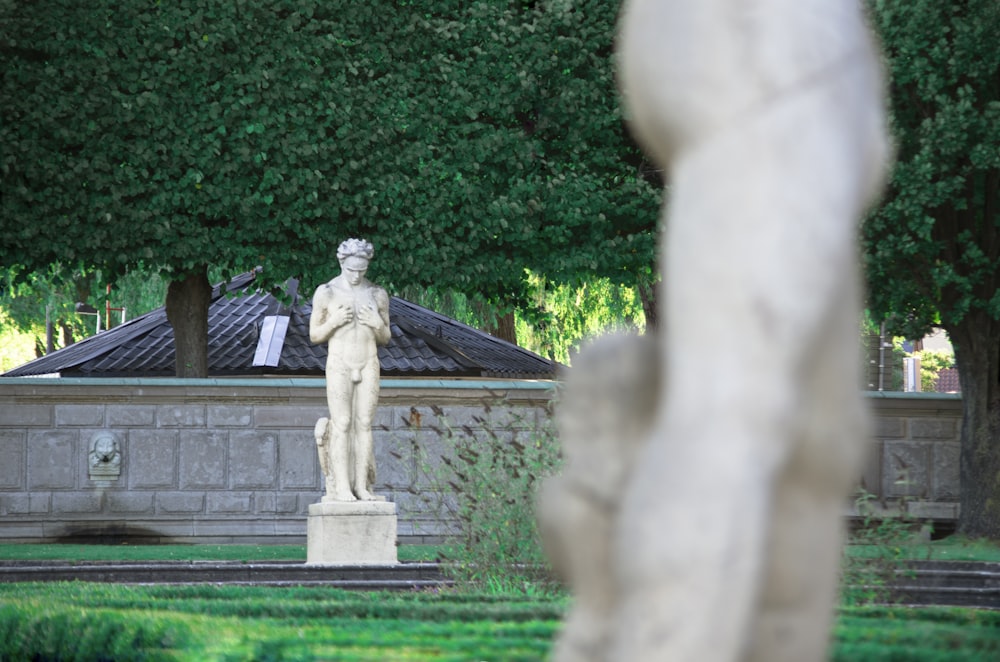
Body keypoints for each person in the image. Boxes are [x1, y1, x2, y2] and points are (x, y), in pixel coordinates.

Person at [309, 238, 391, 501]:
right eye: (351, 269)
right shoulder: (327, 292)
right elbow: (314, 335)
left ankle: (362, 487)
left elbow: (385, 336)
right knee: (342, 423)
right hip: (340, 363)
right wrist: (333, 321)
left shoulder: (377, 294)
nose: (356, 275)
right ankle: (342, 487)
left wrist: (377, 324)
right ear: (341, 262)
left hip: (368, 361)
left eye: (361, 270)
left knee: (364, 424)